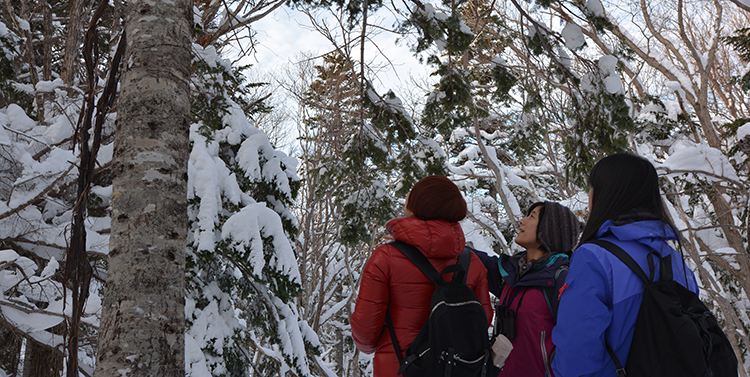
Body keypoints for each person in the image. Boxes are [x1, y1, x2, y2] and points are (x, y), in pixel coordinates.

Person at [551, 153, 699, 377]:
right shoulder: (674, 259)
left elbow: (576, 353)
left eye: (593, 187)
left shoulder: (594, 256)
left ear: (606, 195)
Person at [350, 175, 493, 376]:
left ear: (419, 205)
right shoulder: (472, 262)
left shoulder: (386, 258)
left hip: (399, 367)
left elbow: (365, 331)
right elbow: (482, 319)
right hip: (453, 369)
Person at [473, 201, 582, 377]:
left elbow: (577, 347)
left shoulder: (563, 281)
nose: (522, 221)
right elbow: (474, 260)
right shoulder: (510, 273)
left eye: (532, 217)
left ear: (549, 230)